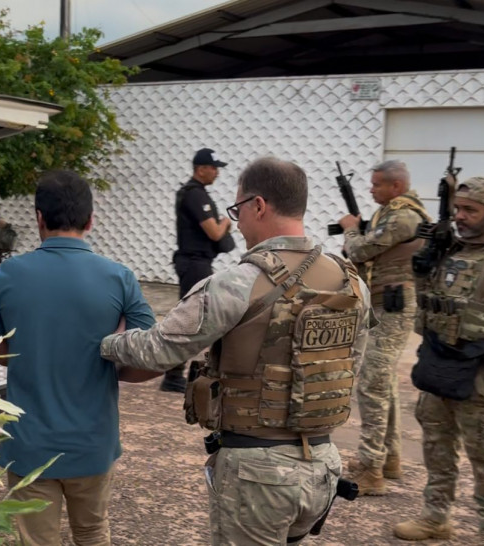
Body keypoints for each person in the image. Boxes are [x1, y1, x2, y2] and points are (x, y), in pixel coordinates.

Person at [101, 157, 373, 545]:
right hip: (323, 466)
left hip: (257, 472)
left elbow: (158, 351)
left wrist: (104, 343)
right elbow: (351, 365)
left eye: (238, 210)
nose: (238, 221)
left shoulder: (239, 283)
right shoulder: (351, 282)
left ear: (258, 205)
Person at [0, 170, 156, 546]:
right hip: (92, 442)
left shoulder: (9, 273)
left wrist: (37, 356)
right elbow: (151, 355)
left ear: (38, 218)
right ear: (91, 220)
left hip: (28, 443)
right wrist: (103, 363)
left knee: (35, 539)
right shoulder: (119, 277)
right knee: (93, 532)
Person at [393, 176, 484, 543]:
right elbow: (427, 307)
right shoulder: (449, 251)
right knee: (437, 448)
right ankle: (436, 516)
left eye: (471, 210)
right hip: (440, 364)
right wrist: (424, 265)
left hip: (483, 376)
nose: (461, 216)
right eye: (458, 209)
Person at [337, 160, 431, 494]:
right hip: (384, 304)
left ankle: (370, 469)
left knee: (372, 383)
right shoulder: (392, 213)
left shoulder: (404, 215)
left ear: (396, 186)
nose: (370, 190)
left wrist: (350, 228)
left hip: (394, 306)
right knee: (384, 382)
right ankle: (388, 457)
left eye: (376, 185)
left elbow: (361, 249)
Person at [163, 147, 233, 393]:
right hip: (194, 263)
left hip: (197, 262)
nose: (217, 173)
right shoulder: (195, 195)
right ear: (200, 169)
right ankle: (174, 374)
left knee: (196, 318)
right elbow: (214, 232)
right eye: (213, 168)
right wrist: (226, 221)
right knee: (193, 318)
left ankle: (175, 373)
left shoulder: (196, 193)